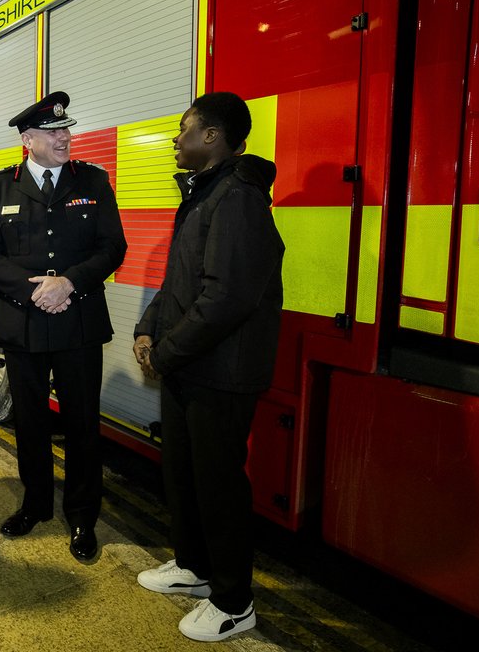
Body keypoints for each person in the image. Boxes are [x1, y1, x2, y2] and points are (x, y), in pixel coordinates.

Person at [132, 92, 284, 643]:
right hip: (189, 367)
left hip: (221, 373)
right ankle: (194, 568)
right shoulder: (203, 194)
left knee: (218, 485)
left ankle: (233, 600)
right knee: (184, 474)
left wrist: (166, 352)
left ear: (212, 136)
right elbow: (180, 282)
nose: (176, 139)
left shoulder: (238, 200)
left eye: (183, 130)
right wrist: (147, 327)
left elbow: (226, 299)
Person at [0, 91, 126, 562]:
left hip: (78, 321)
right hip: (24, 323)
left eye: (67, 130)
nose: (65, 138)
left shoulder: (94, 181)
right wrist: (33, 288)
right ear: (28, 139)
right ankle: (35, 504)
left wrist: (68, 284)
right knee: (32, 424)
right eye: (54, 132)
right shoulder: (1, 186)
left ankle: (82, 515)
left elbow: (112, 247)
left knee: (82, 424)